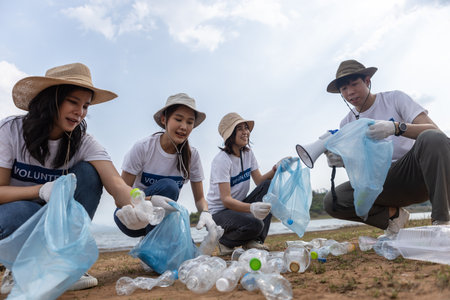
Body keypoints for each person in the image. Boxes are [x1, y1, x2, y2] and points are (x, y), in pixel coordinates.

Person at [0, 62, 138, 294]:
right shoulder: (10, 131)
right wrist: (41, 190)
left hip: (58, 223)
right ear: (50, 99)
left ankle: (66, 263)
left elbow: (116, 182)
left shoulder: (84, 142)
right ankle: (17, 266)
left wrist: (139, 204)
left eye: (86, 106)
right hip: (16, 215)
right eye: (73, 102)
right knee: (22, 212)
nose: (80, 112)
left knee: (89, 173)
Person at [323, 59, 450, 238]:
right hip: (382, 183)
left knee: (432, 138)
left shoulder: (394, 99)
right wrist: (345, 161)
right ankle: (394, 217)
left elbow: (435, 132)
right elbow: (360, 170)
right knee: (333, 200)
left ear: (367, 81)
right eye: (344, 88)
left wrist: (397, 128)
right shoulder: (347, 123)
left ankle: (441, 224)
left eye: (354, 84)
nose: (350, 92)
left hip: (415, 172)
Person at [114, 93, 219, 240]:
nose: (184, 127)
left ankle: (153, 242)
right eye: (178, 119)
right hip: (130, 215)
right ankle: (153, 243)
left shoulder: (192, 156)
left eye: (190, 122)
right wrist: (150, 201)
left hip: (161, 219)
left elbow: (200, 198)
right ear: (164, 119)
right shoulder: (143, 148)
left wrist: (206, 213)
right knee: (169, 186)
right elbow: (120, 194)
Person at [206, 112, 280, 255]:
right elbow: (226, 200)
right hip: (219, 214)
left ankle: (254, 241)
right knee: (255, 223)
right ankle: (225, 241)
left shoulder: (248, 153)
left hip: (237, 208)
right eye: (239, 129)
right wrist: (252, 207)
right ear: (230, 135)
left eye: (246, 128)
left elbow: (259, 181)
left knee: (268, 186)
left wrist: (276, 168)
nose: (245, 132)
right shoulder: (222, 160)